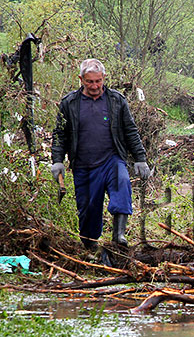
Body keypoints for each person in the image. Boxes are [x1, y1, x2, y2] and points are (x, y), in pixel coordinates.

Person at [50, 58, 151, 250]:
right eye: (89, 81)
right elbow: (60, 134)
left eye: (98, 81)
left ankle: (118, 236)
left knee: (122, 183)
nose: (95, 85)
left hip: (111, 159)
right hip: (83, 165)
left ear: (104, 78)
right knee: (88, 210)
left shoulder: (116, 101)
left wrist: (140, 158)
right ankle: (91, 247)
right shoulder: (69, 103)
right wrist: (57, 161)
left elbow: (130, 130)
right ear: (80, 79)